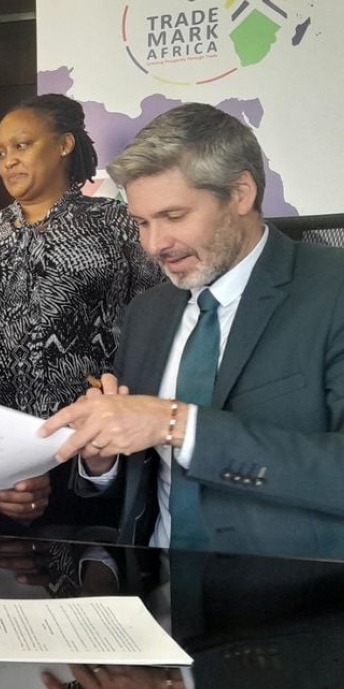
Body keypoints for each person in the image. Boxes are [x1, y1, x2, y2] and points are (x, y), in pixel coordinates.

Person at [41, 103, 344, 561]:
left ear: (241, 193)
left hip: (291, 609)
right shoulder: (148, 311)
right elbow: (135, 481)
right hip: (153, 593)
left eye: (175, 216)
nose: (154, 245)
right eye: (141, 222)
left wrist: (177, 423)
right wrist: (99, 457)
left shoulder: (332, 289)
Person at [0, 94, 162, 533]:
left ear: (64, 145)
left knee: (88, 568)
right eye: (2, 153)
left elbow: (153, 323)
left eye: (22, 146)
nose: (9, 162)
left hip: (90, 444)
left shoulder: (121, 225)